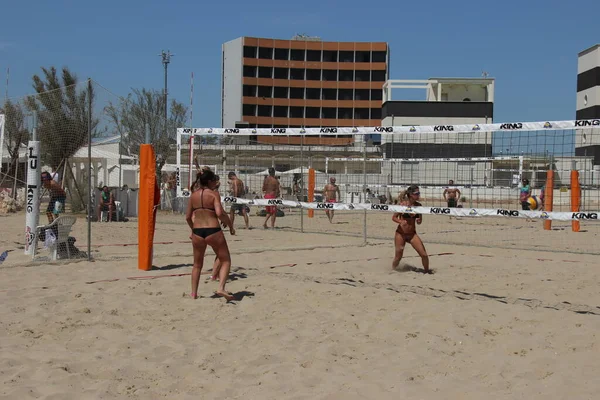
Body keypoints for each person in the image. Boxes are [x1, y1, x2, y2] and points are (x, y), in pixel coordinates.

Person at [185, 168, 235, 301]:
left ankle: (194, 294)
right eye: (214, 180)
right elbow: (219, 213)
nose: (216, 183)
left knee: (197, 265)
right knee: (225, 260)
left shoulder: (193, 195)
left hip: (197, 231)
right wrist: (230, 225)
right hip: (213, 230)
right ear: (210, 181)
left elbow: (188, 217)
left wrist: (192, 229)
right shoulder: (213, 194)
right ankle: (221, 287)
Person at [392, 185, 430, 274]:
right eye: (416, 193)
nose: (418, 195)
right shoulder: (403, 204)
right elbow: (394, 217)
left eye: (419, 193)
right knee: (398, 257)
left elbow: (419, 221)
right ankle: (392, 270)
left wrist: (418, 220)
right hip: (401, 234)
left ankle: (427, 272)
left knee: (424, 255)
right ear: (410, 195)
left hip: (412, 234)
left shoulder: (418, 206)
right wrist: (400, 221)